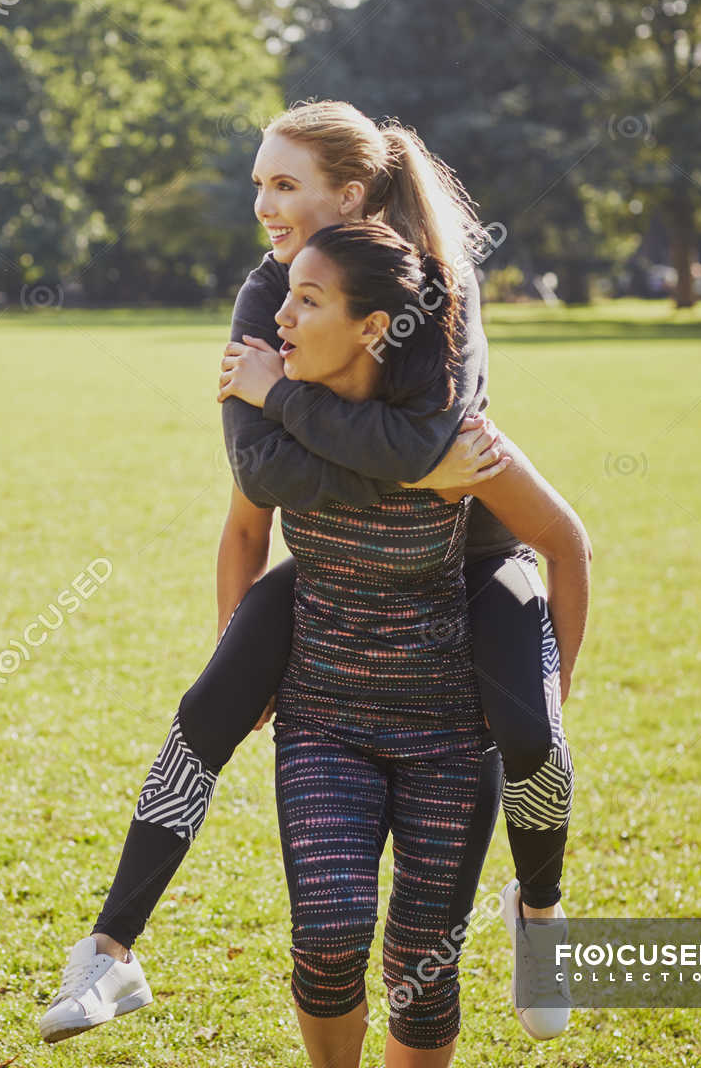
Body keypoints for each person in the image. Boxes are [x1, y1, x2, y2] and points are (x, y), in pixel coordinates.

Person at [43, 101, 584, 1044]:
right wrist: (364, 441)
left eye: (283, 184)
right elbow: (261, 477)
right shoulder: (267, 295)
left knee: (534, 737)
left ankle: (539, 914)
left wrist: (556, 680)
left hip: (471, 566)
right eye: (259, 182)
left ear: (353, 193)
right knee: (207, 710)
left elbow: (442, 444)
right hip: (329, 575)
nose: (261, 204)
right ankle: (110, 951)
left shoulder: (438, 289)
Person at [254, 220, 590, 1065]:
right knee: (327, 937)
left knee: (422, 966)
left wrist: (553, 698)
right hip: (325, 720)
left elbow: (566, 545)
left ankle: (539, 907)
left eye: (307, 298)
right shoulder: (273, 420)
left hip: (447, 733)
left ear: (373, 327)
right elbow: (241, 529)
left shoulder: (460, 441)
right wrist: (242, 664)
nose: (276, 317)